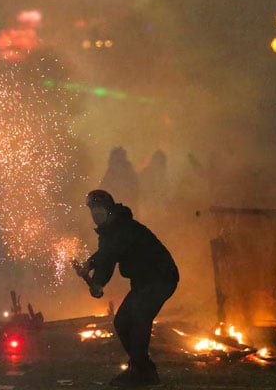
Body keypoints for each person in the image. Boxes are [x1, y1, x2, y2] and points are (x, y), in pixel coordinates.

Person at [75, 189, 179, 387]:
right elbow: (107, 261)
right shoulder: (107, 233)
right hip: (142, 283)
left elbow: (111, 250)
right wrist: (97, 283)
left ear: (109, 210)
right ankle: (142, 369)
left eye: (99, 210)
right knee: (122, 322)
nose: (96, 214)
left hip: (161, 277)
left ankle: (141, 371)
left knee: (140, 317)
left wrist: (90, 263)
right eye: (93, 210)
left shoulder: (124, 227)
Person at [100, 147, 139, 212]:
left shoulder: (127, 170)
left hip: (126, 205)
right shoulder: (111, 171)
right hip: (117, 206)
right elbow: (104, 187)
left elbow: (135, 188)